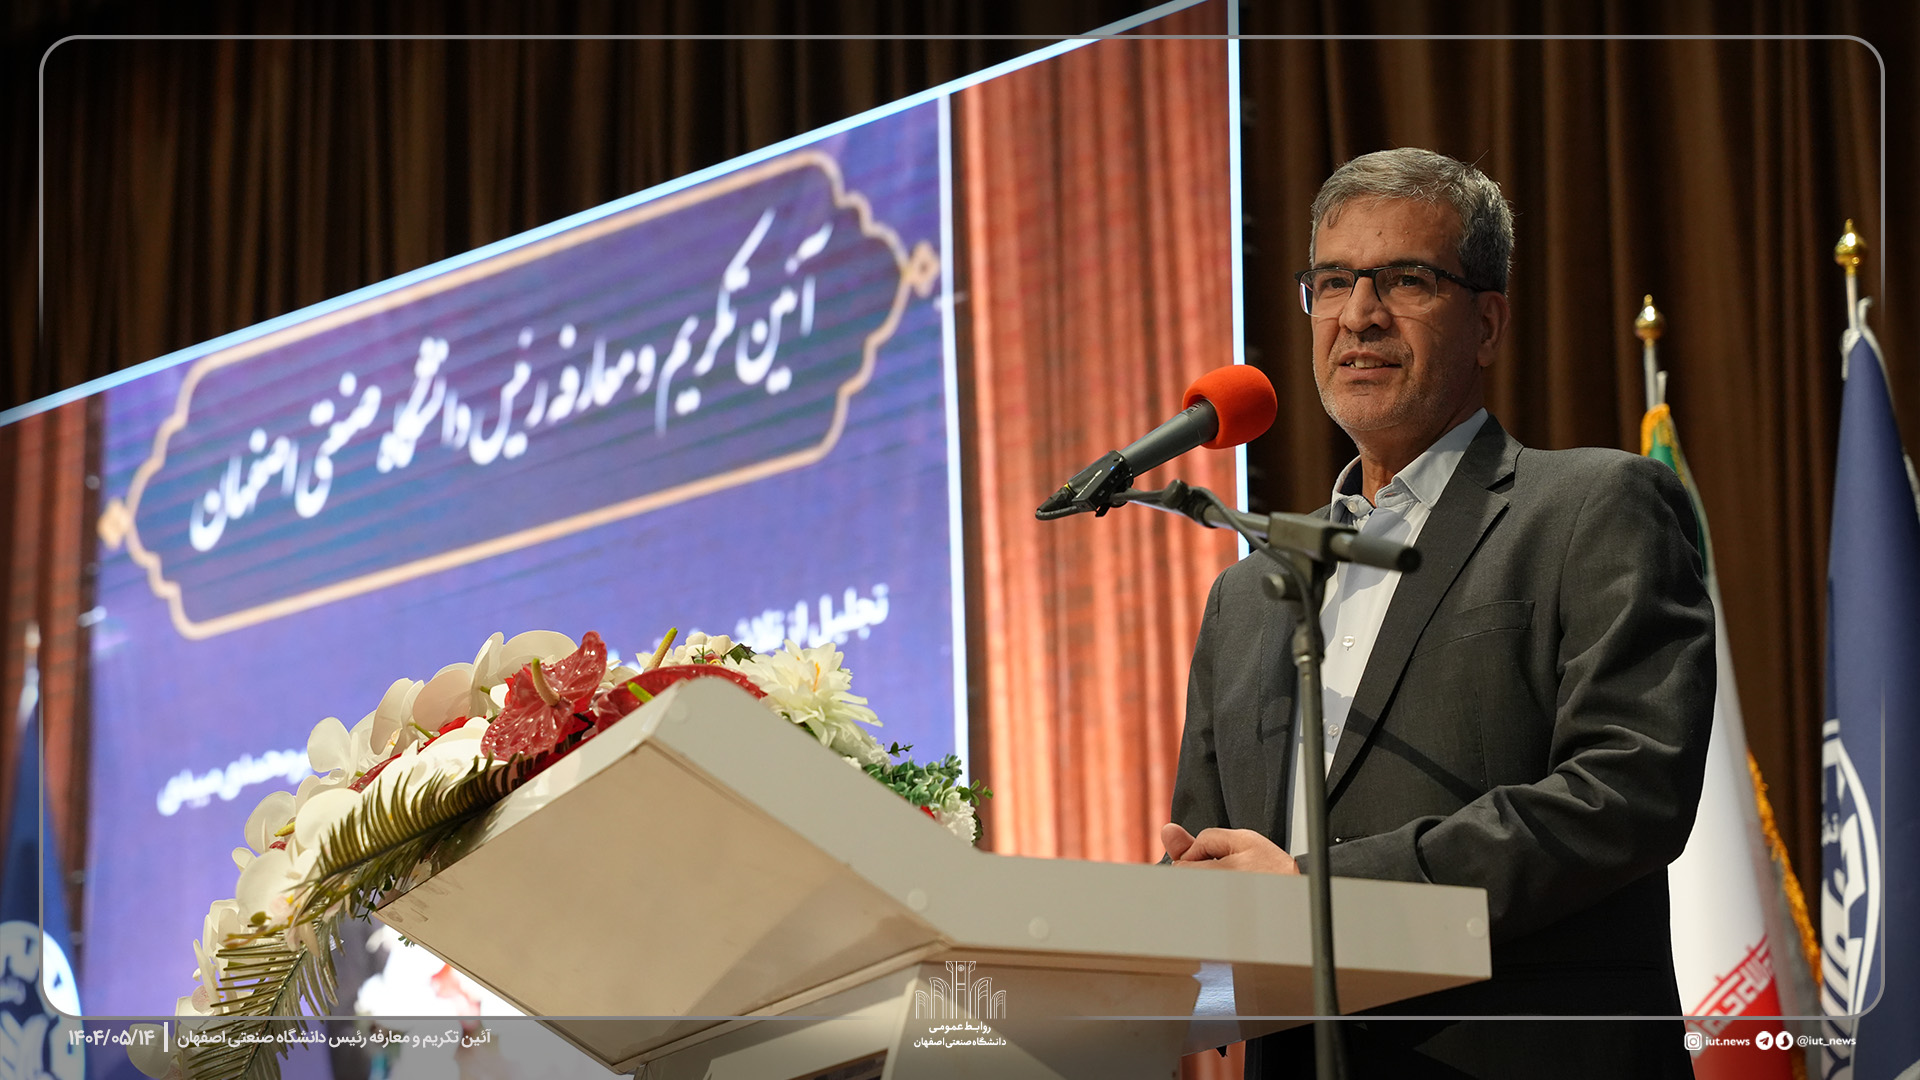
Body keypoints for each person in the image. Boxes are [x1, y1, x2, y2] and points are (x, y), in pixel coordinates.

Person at [1161, 148, 1713, 1078]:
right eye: (1333, 282)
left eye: (1405, 280)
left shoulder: (1592, 507)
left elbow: (1629, 791)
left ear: (1487, 323)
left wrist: (1318, 896)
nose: (1359, 314)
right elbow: (1214, 859)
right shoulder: (1251, 594)